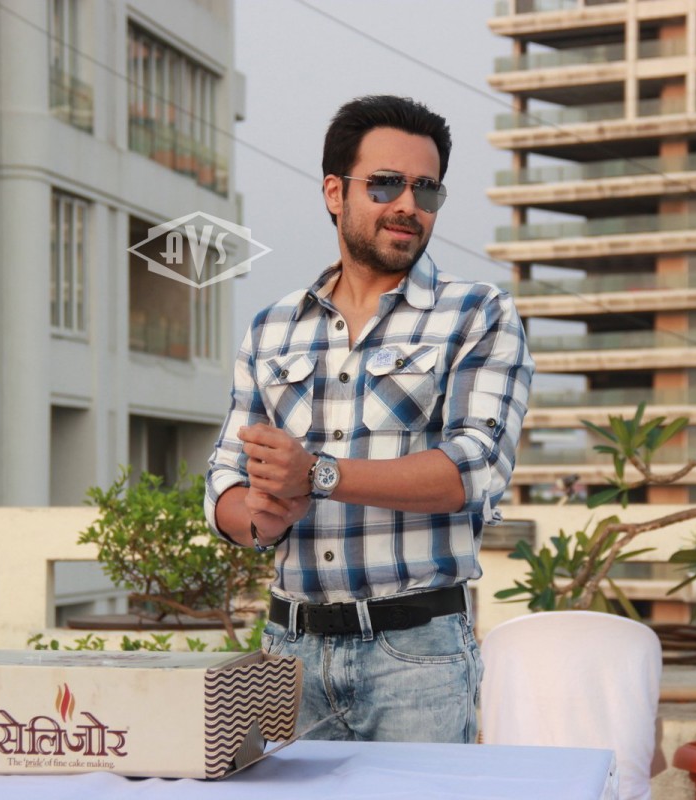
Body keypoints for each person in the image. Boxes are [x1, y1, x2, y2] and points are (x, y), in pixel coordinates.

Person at [205, 94, 533, 743]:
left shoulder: (478, 312)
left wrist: (317, 475)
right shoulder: (272, 328)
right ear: (336, 192)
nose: (408, 204)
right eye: (385, 184)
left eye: (426, 189)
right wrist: (260, 515)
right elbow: (225, 482)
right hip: (288, 654)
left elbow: (475, 470)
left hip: (418, 659)